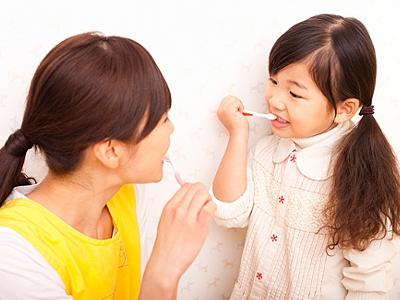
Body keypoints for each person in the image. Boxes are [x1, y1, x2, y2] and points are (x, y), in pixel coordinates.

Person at [0, 32, 216, 299]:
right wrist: (165, 271)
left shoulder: (125, 195)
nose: (172, 129)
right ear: (111, 151)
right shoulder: (13, 255)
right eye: (163, 119)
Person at [212, 14, 400, 299]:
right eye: (273, 81)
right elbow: (229, 213)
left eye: (295, 94)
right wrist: (238, 134)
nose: (274, 99)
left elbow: (369, 285)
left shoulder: (361, 175)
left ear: (345, 109)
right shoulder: (267, 151)